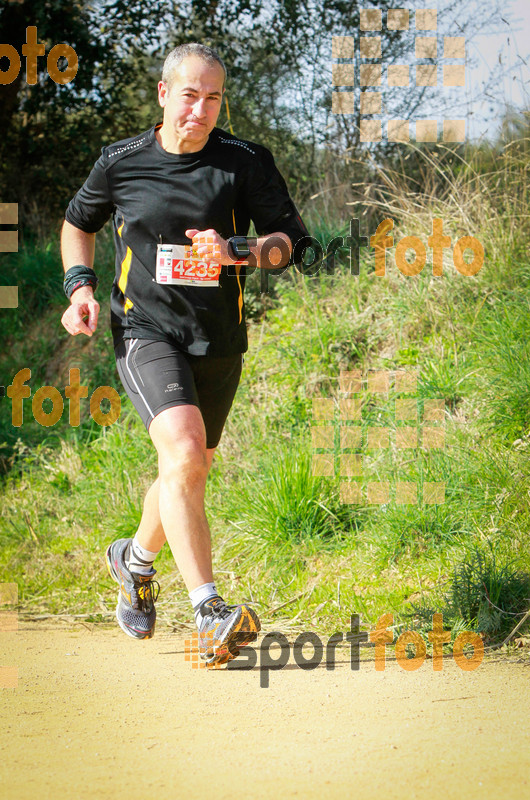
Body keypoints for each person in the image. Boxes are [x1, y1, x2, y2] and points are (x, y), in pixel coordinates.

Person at [60, 43, 309, 665]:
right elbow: (76, 223)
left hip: (219, 336)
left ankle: (134, 559)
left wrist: (240, 251)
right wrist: (80, 287)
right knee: (185, 452)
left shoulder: (244, 162)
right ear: (165, 94)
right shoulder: (121, 160)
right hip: (145, 330)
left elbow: (292, 243)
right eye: (190, 95)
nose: (201, 109)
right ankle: (209, 609)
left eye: (214, 98)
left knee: (189, 468)